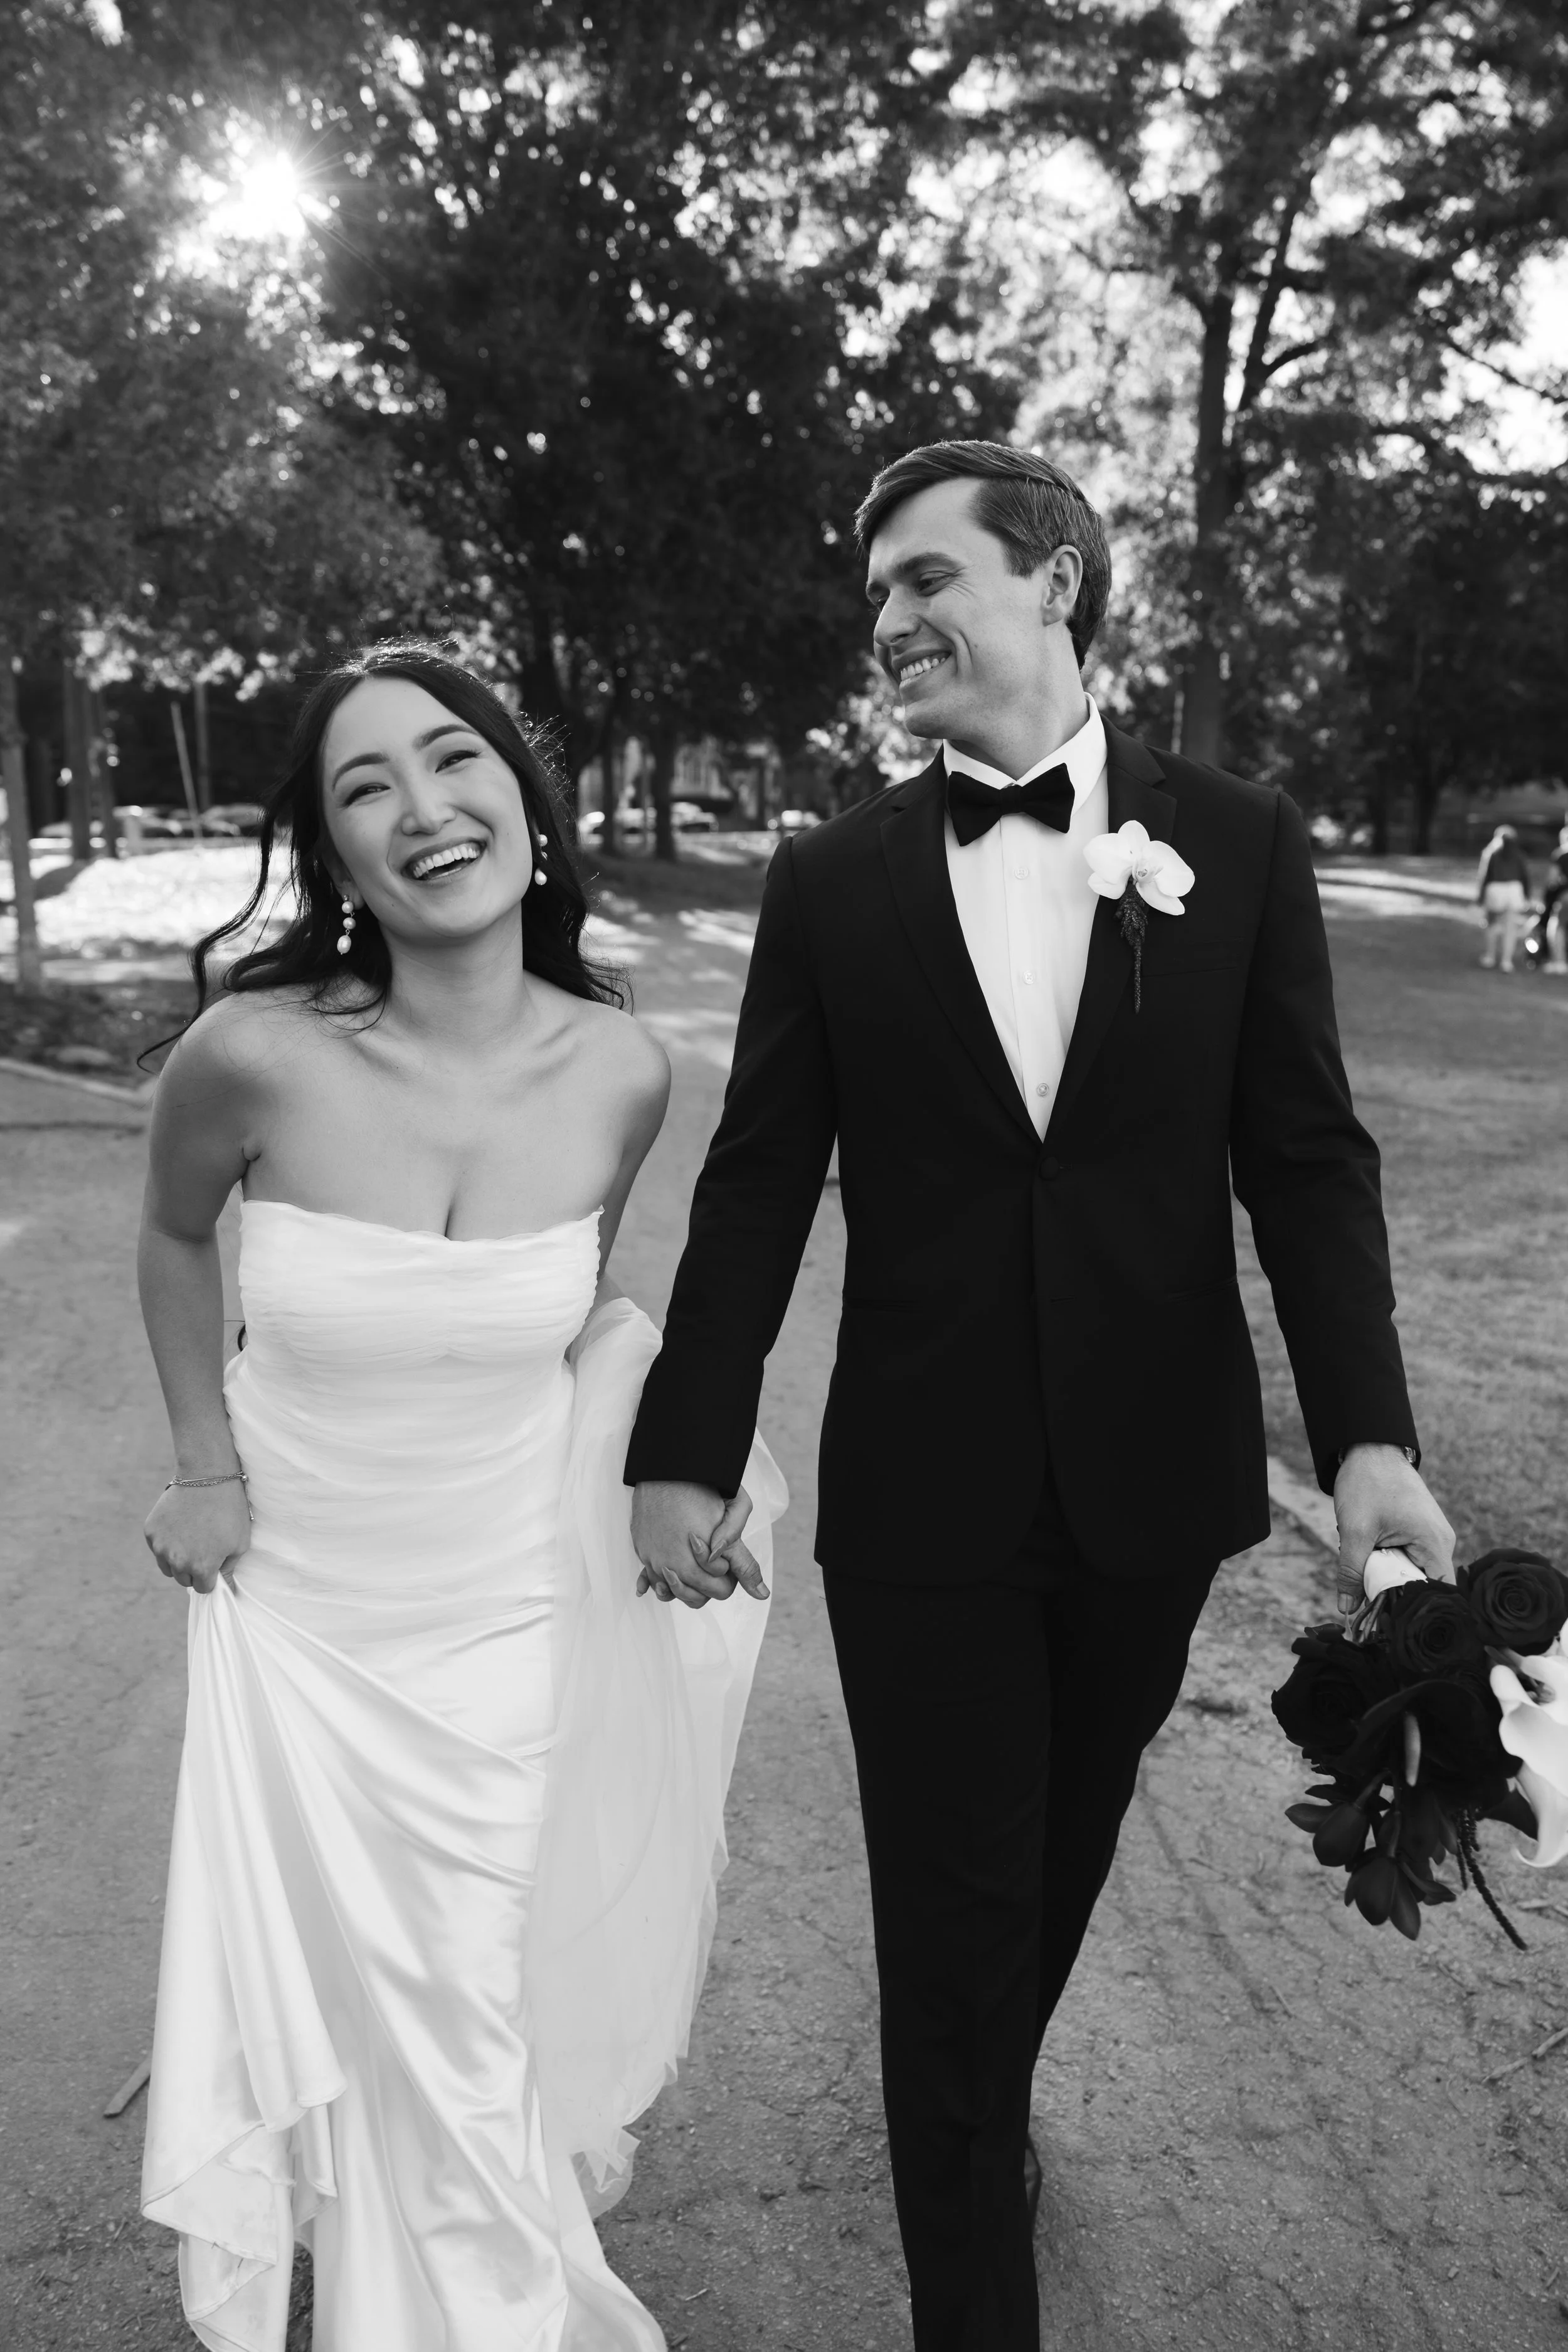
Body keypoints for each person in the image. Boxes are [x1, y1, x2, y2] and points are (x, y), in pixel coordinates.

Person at [625, 441, 1454, 2352]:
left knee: (1050, 1866)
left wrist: (1365, 1437)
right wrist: (683, 1446)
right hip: (919, 1500)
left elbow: (1303, 1158)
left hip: (1150, 1485)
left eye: (924, 578)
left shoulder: (1235, 838)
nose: (889, 620)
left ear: (1057, 580)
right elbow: (758, 1178)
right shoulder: (827, 882)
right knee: (948, 1928)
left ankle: (975, 2111)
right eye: (874, 597)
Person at [137, 643, 781, 2352]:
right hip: (299, 1599)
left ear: (522, 792)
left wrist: (673, 1479)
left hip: (500, 1603)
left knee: (459, 1981)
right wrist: (202, 1461)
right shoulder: (251, 1054)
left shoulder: (621, 1069)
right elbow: (175, 1234)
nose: (422, 805)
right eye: (366, 786)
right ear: (335, 854)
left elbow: (576, 1314)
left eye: (452, 758)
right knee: (355, 1982)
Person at [1476, 822, 1531, 972]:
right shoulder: (1519, 854)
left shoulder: (1491, 853)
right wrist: (1527, 895)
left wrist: (1481, 897)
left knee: (1492, 924)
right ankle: (1506, 961)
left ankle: (1490, 957)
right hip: (1514, 890)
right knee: (1510, 927)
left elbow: (1485, 876)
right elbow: (1525, 877)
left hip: (1496, 889)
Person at [1541, 821, 1568, 974]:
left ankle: (1559, 962)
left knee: (1557, 926)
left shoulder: (1561, 854)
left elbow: (1552, 879)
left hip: (1565, 897)